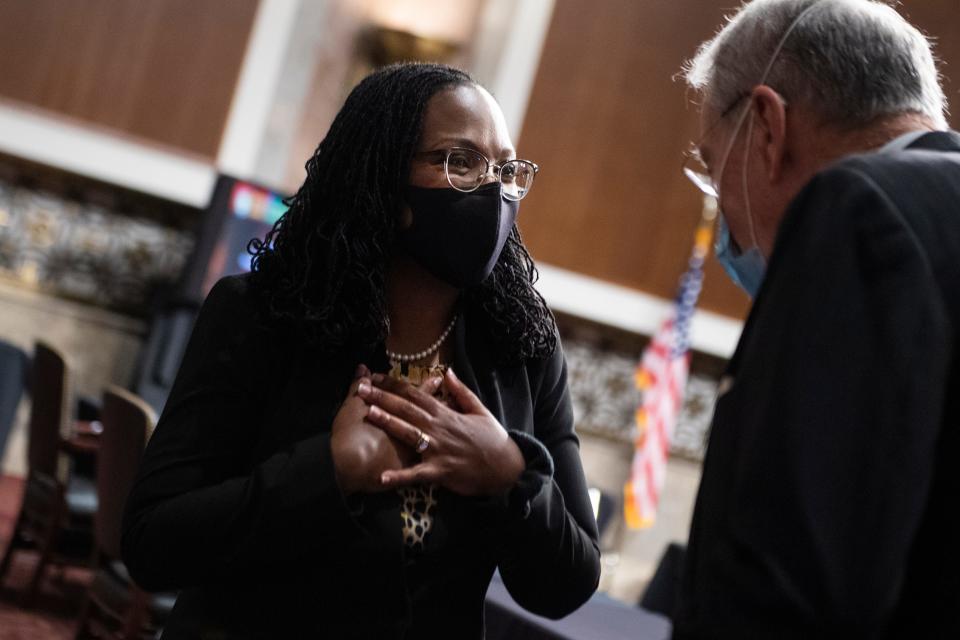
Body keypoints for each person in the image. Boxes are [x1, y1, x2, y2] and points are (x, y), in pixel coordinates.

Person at [121, 62, 600, 638]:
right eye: (461, 161)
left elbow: (567, 585)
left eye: (505, 168)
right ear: (383, 179)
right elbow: (153, 543)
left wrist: (512, 478)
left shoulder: (524, 350)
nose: (495, 189)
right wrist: (330, 472)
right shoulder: (262, 314)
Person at [675, 0, 959, 637]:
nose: (725, 214)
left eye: (714, 166)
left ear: (769, 127)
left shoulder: (859, 211)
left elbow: (790, 572)